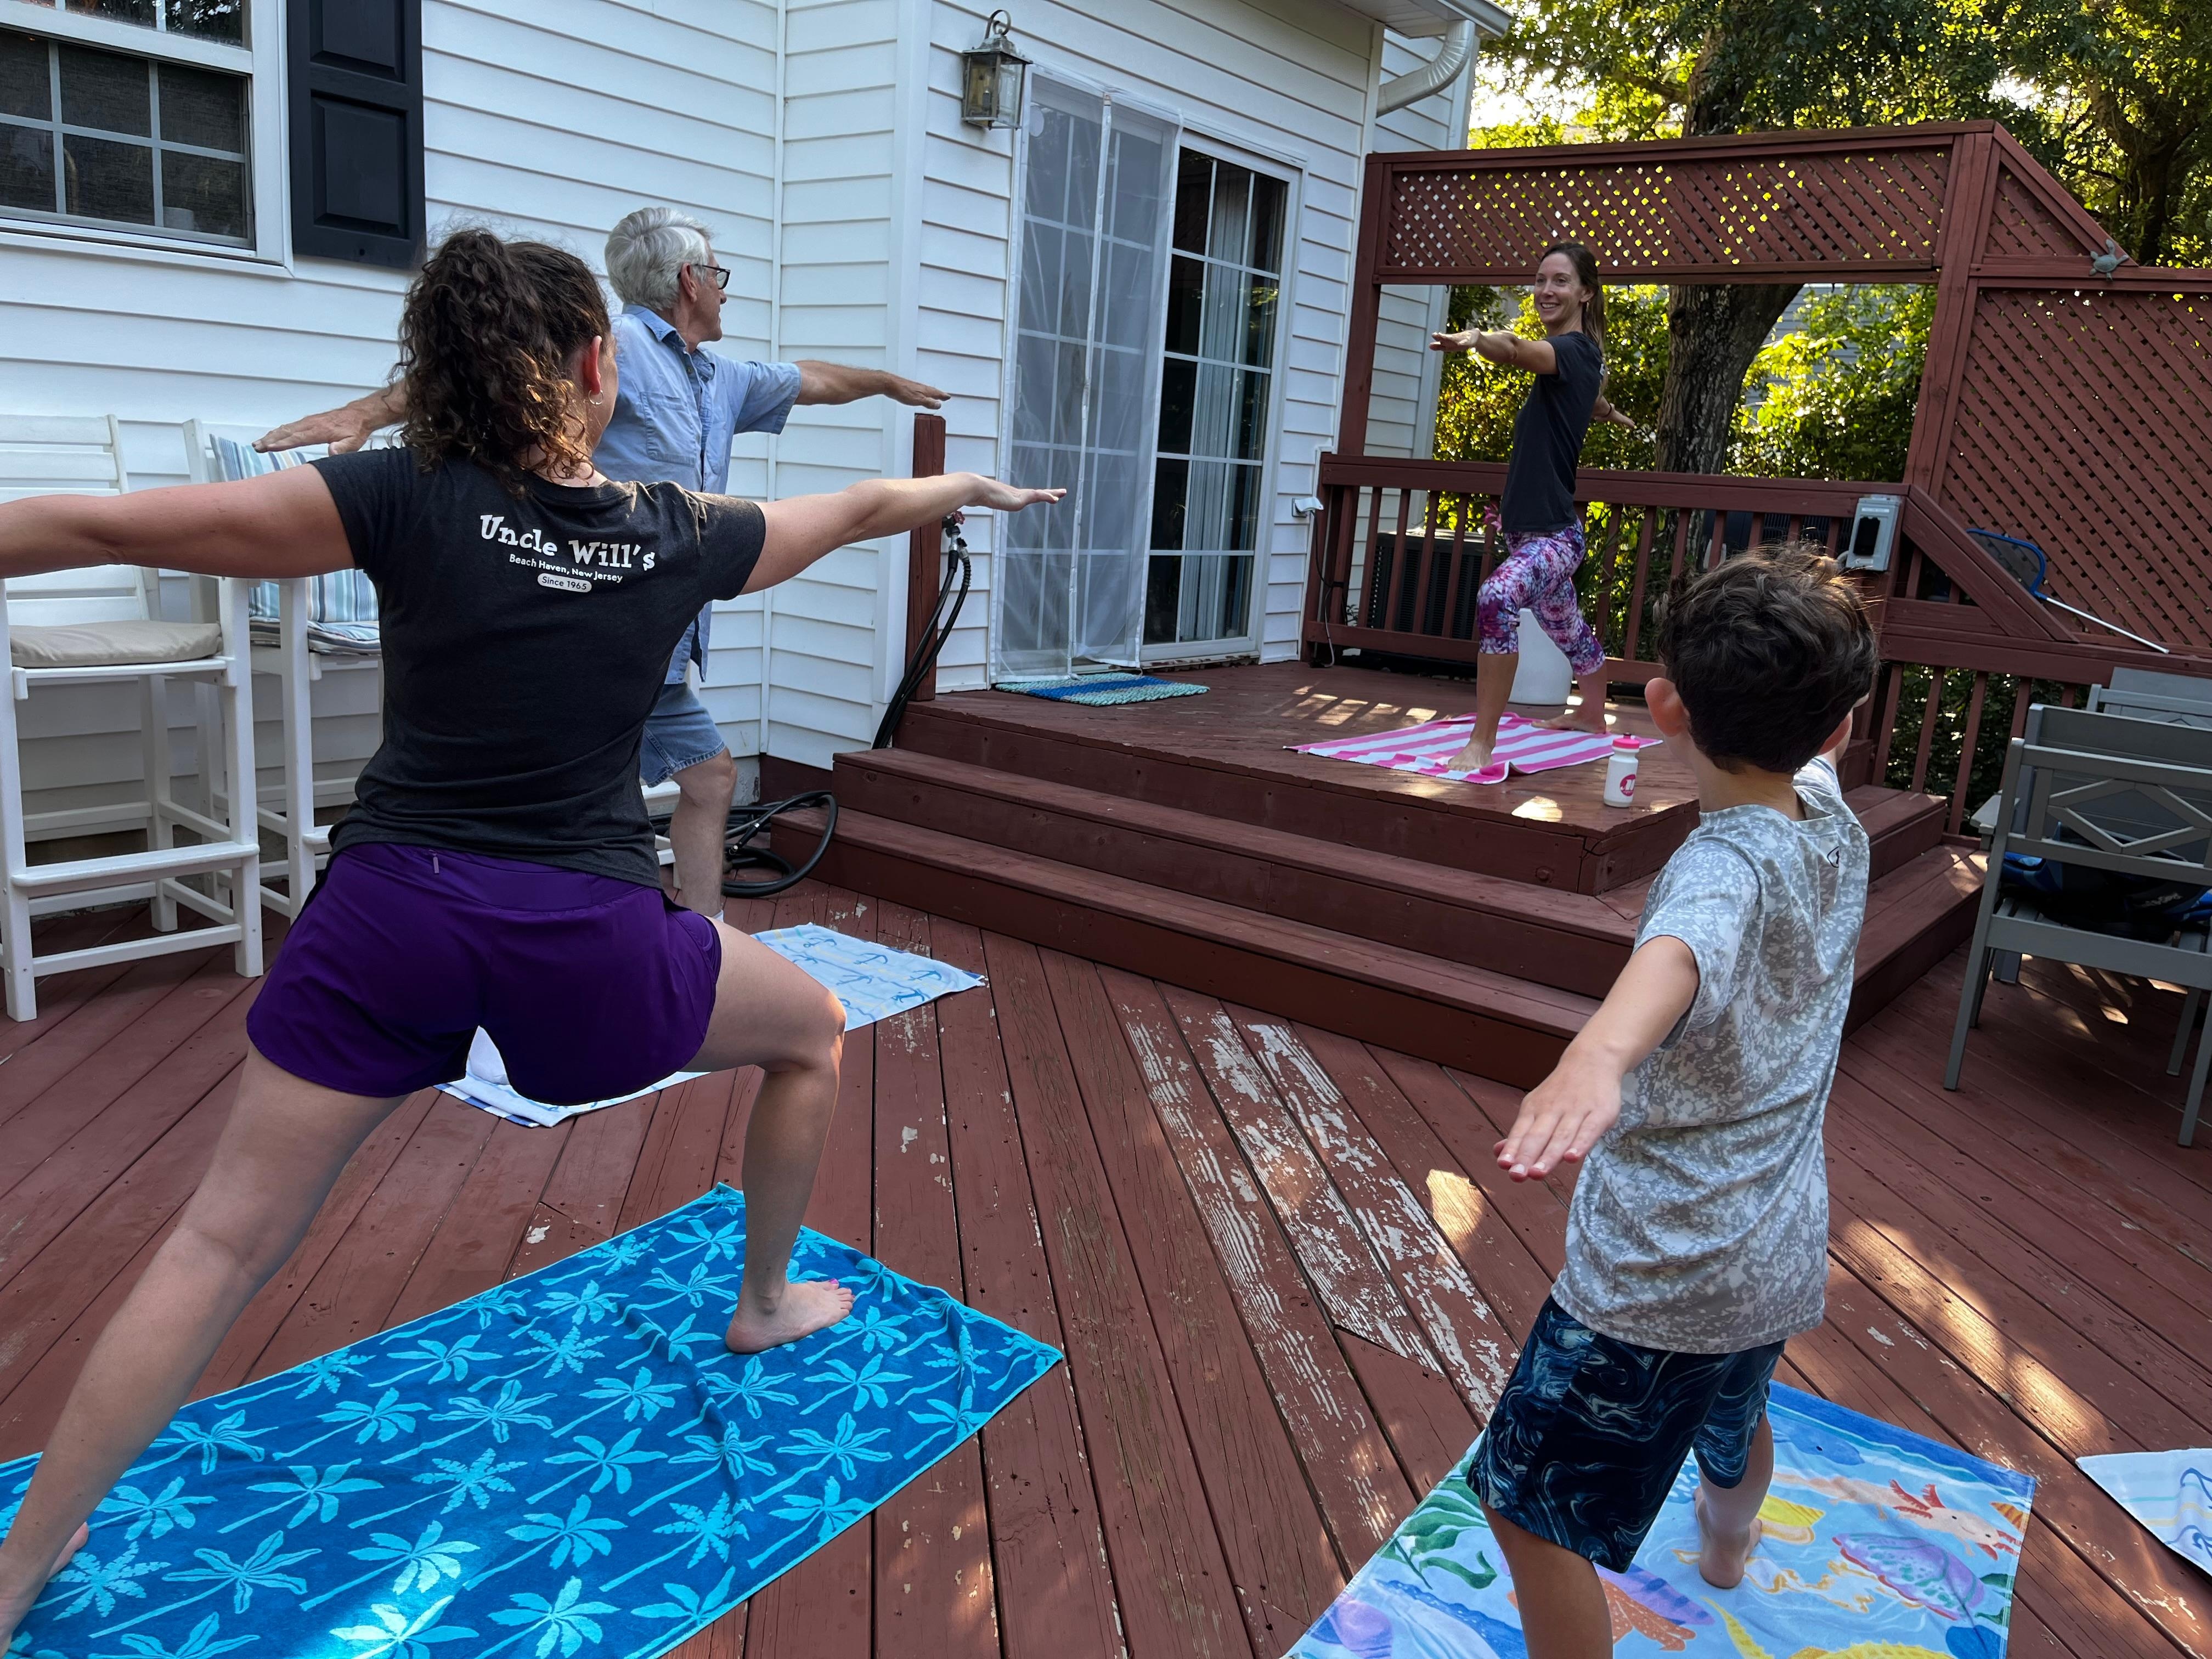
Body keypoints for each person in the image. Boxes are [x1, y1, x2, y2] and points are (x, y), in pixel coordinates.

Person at [0, 228, 1058, 1651]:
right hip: (586, 949)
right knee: (809, 1031)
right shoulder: (679, 528)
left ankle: (16, 1572)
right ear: (599, 365)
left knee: (216, 1244)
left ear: (439, 377)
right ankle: (761, 1304)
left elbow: (98, 528)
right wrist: (967, 487)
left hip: (390, 924)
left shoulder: (400, 495)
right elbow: (866, 504)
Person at [258, 206, 950, 915]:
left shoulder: (718, 377)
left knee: (707, 779)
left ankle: (694, 934)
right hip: (592, 613)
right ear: (690, 280)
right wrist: (368, 413)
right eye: (718, 275)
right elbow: (485, 366)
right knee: (671, 780)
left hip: (657, 631)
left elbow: (809, 379)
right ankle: (626, 931)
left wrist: (886, 383)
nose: (725, 291)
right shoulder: (615, 345)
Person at [1475, 545, 1876, 1657]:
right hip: (1777, 1249)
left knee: (1525, 1509)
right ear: (1840, 727)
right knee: (1732, 1419)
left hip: (1660, 1277)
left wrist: (1600, 1052)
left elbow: (1679, 951)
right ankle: (1727, 1545)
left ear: (1664, 708)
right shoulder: (1830, 817)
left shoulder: (1720, 865)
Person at [1428, 241, 1635, 782]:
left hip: (1555, 537)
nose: (1546, 290)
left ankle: (1482, 742)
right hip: (1530, 535)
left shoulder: (1569, 350)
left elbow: (1518, 350)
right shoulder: (1582, 361)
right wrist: (1612, 414)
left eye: (1560, 281)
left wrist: (1479, 339)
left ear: (1585, 293)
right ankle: (1593, 714)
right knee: (1566, 627)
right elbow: (1591, 401)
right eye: (1541, 279)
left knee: (1497, 598)